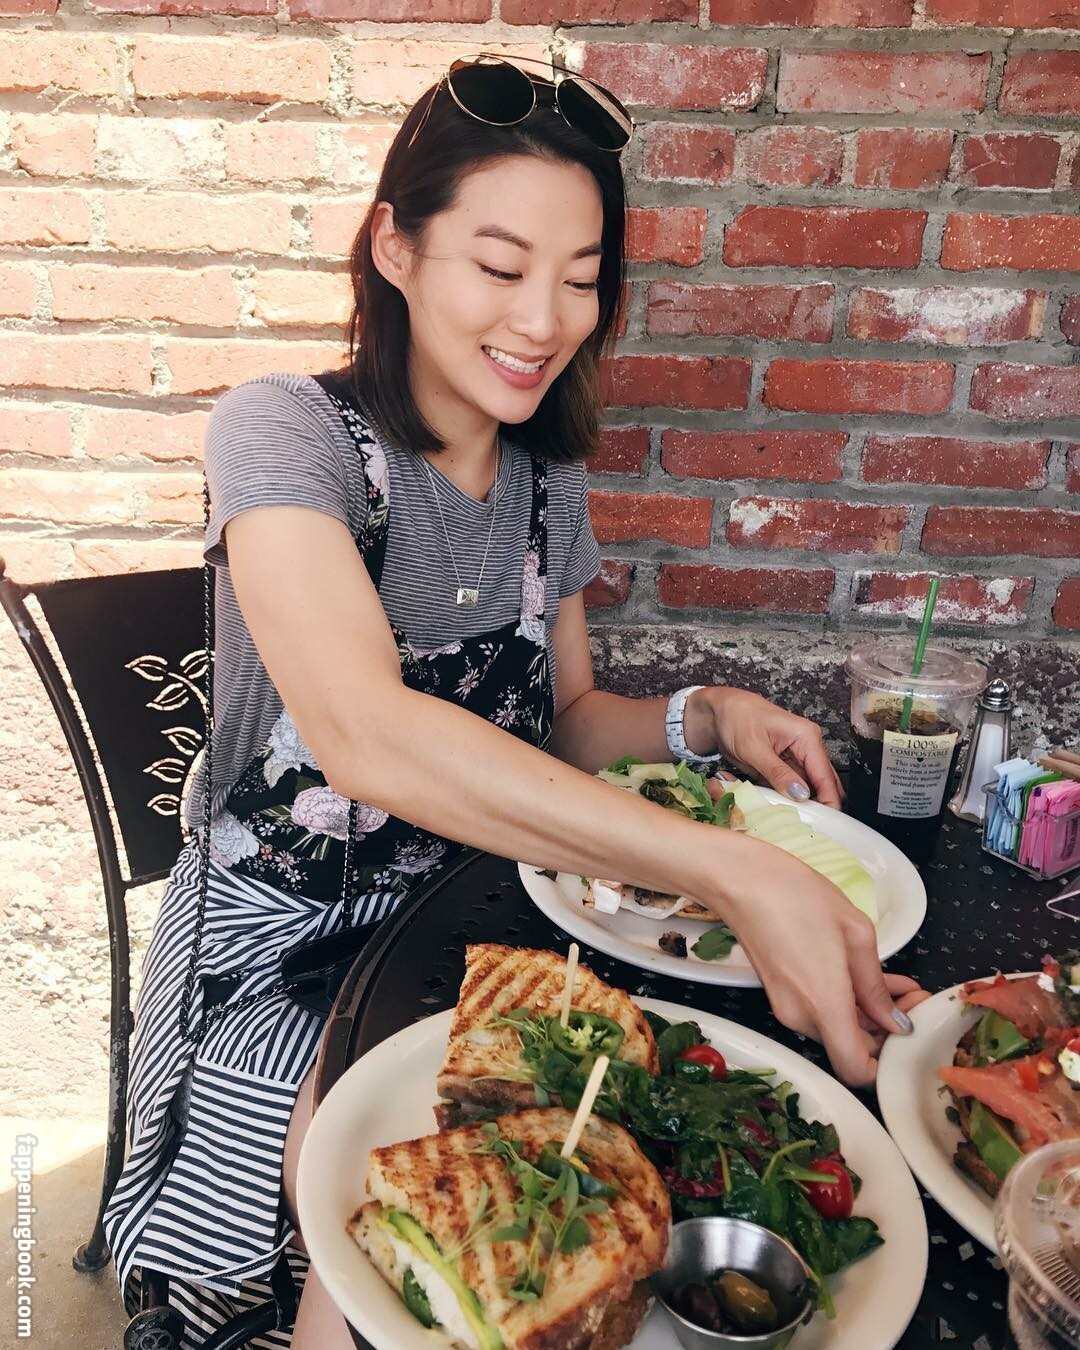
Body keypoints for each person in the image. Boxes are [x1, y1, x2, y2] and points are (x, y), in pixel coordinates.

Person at [104, 55, 926, 1349]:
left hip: (478, 912)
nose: (544, 320)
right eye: (500, 265)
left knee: (613, 1177)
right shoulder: (287, 436)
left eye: (582, 278)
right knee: (404, 1203)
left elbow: (566, 719)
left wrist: (704, 718)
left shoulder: (547, 478)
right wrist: (729, 868)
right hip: (288, 935)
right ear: (396, 247)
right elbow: (366, 735)